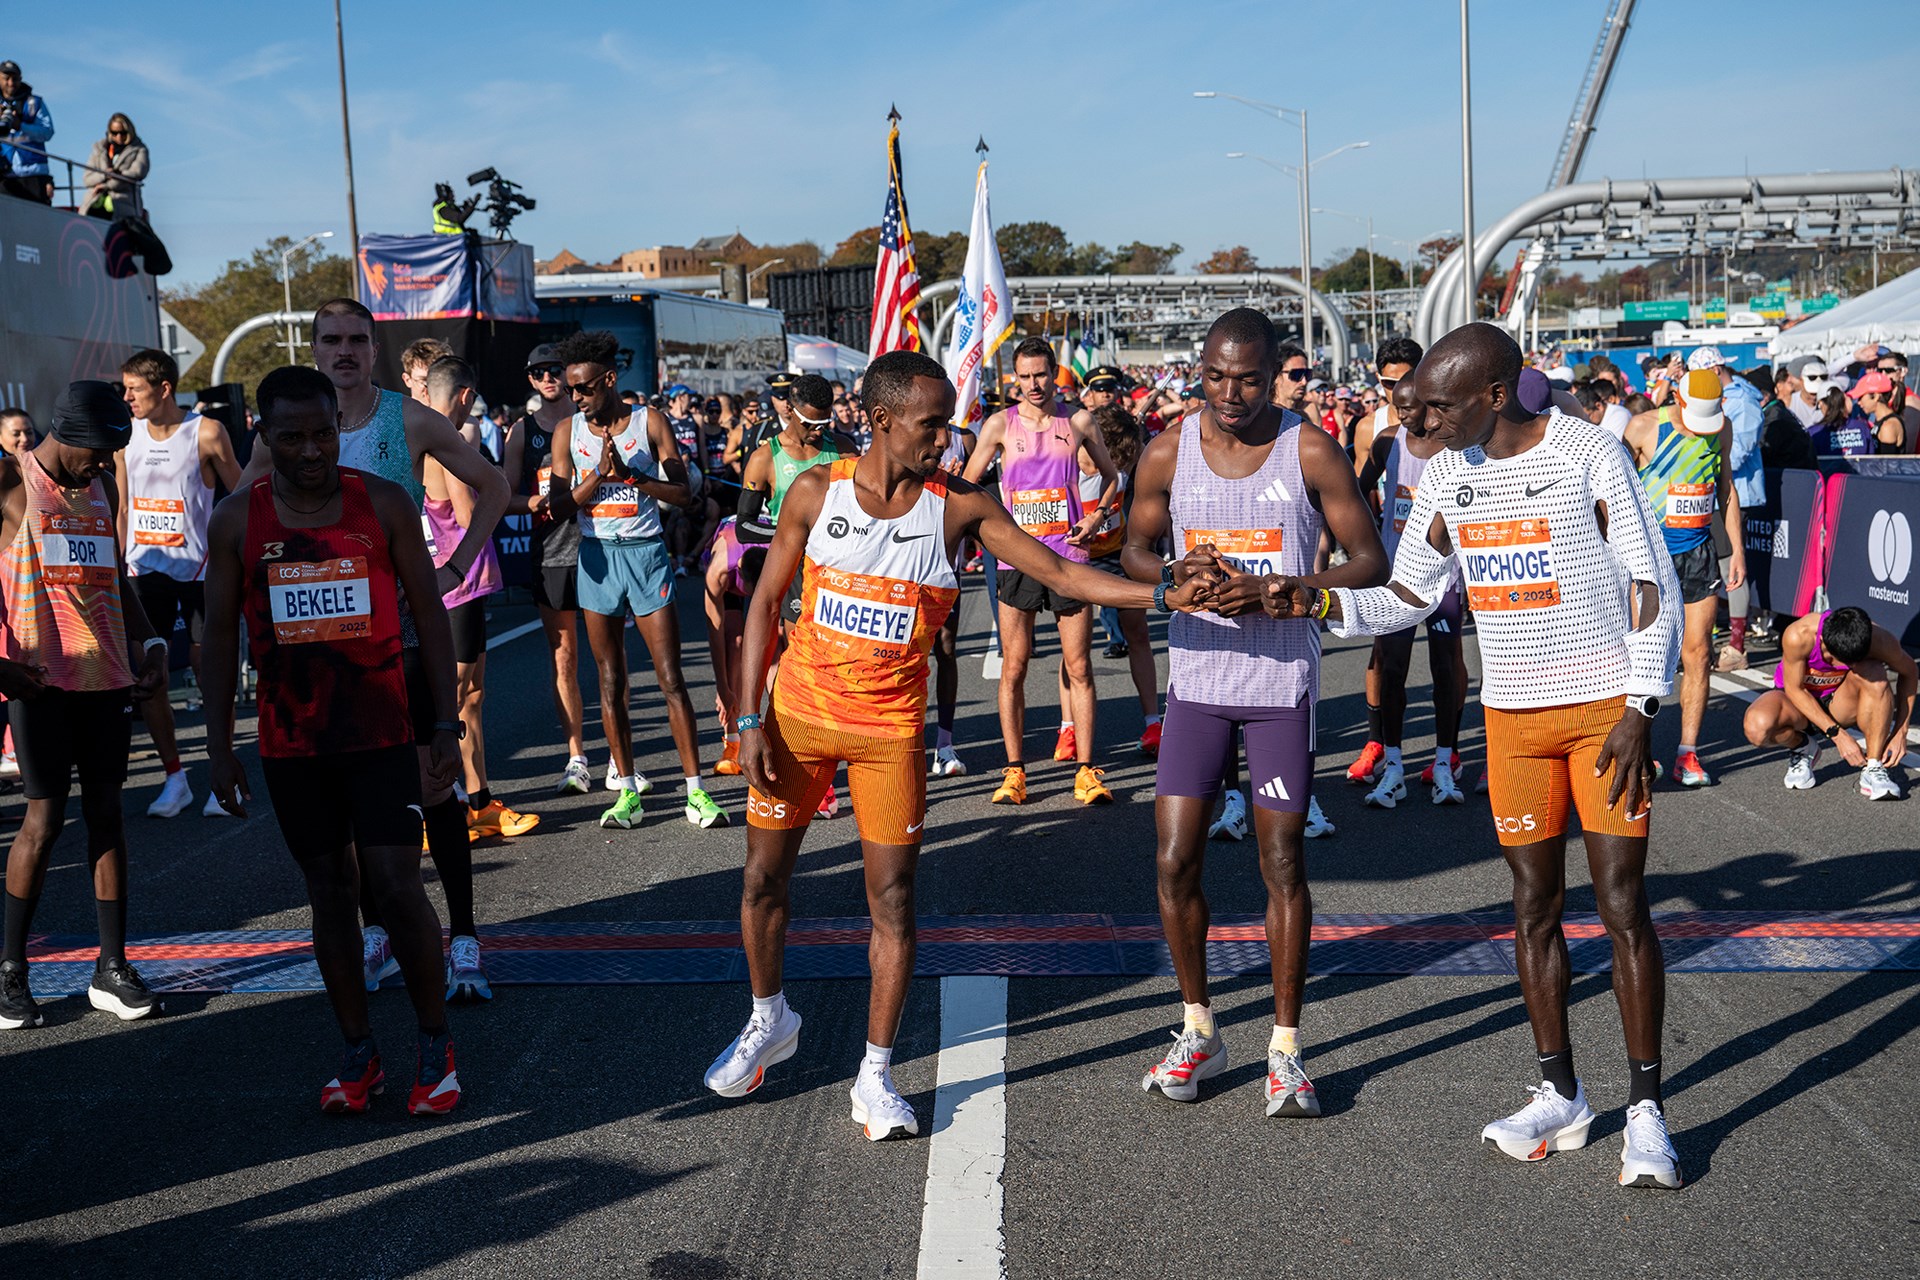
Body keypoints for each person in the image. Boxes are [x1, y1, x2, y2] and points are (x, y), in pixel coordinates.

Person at [703, 350, 1207, 1136]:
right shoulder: (815, 490)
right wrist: (745, 721)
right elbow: (765, 604)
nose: (947, 438)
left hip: (889, 735)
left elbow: (1061, 574)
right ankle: (769, 1019)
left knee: (893, 903)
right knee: (762, 881)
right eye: (931, 424)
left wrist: (1163, 594)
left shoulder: (959, 505)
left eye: (949, 423)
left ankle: (875, 1076)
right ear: (880, 420)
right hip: (797, 721)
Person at [1267, 322, 1685, 1190]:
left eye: (1438, 406)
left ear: (1495, 395)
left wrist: (1643, 704)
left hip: (1603, 712)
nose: (1420, 423)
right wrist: (1312, 602)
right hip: (1514, 721)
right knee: (1533, 908)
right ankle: (1561, 1094)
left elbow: (1652, 583)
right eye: (1415, 406)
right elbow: (1409, 594)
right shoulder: (1447, 474)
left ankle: (1647, 1110)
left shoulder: (1588, 452)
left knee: (1620, 905)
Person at [1125, 309, 1387, 1115]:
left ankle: (1285, 1049)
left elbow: (1370, 560)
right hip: (1197, 687)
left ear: (1274, 374)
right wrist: (1174, 573)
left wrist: (1291, 589)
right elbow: (1132, 551)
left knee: (1281, 864)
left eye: (1247, 378)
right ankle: (1198, 1028)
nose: (1230, 393)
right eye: (1215, 376)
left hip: (1279, 692)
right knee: (1175, 861)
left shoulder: (1309, 448)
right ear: (1198, 371)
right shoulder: (1167, 449)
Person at [202, 365, 462, 1113]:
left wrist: (445, 723)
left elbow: (429, 615)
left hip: (380, 732)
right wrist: (218, 748)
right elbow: (217, 639)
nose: (312, 450)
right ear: (264, 435)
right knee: (329, 894)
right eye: (293, 437)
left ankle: (435, 1046)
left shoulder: (382, 503)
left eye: (324, 433)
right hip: (293, 745)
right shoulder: (236, 520)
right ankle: (359, 1052)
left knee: (396, 887)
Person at [237, 297, 511, 999]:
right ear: (315, 348)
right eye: (331, 339)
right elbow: (238, 519)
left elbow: (493, 484)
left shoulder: (408, 418)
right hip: (322, 642)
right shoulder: (288, 427)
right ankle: (376, 933)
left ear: (372, 349)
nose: (345, 351)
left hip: (403, 632)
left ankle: (465, 937)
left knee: (433, 784)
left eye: (357, 339)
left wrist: (454, 569)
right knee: (349, 796)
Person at [0, 382, 169, 1031]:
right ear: (65, 435)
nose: (104, 464)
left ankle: (112, 968)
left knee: (108, 817)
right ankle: (11, 970)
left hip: (107, 680)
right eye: (97, 452)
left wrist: (151, 643)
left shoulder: (101, 487)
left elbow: (115, 577)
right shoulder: (12, 484)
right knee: (42, 822)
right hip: (39, 682)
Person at [546, 330, 727, 831]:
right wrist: (596, 478)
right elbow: (556, 508)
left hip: (646, 554)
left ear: (609, 380)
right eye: (570, 389)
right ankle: (626, 791)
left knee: (671, 679)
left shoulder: (650, 421)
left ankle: (696, 793)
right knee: (610, 681)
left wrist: (632, 477)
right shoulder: (567, 432)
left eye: (583, 388)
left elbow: (685, 495)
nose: (576, 397)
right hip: (597, 558)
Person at [961, 338, 1123, 806]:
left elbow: (1112, 476)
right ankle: (1015, 771)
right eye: (1025, 376)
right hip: (1017, 560)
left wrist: (1096, 517)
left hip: (1068, 557)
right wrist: (988, 533)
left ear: (1055, 374)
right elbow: (968, 486)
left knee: (1079, 666)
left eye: (1041, 374)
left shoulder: (1078, 421)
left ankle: (1086, 771)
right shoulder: (999, 425)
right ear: (1015, 378)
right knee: (1015, 666)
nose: (1033, 384)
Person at [116, 348, 243, 820]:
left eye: (135, 389)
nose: (127, 397)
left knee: (211, 674)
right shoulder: (126, 436)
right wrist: (117, 566)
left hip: (200, 571)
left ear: (164, 388)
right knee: (150, 677)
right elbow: (122, 507)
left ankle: (222, 775)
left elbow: (241, 494)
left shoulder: (206, 432)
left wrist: (239, 558)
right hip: (144, 570)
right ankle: (175, 779)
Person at [420, 357, 535, 844]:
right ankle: (433, 812)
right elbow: (471, 515)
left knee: (470, 697)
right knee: (447, 704)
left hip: (458, 584)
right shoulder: (445, 442)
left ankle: (479, 802)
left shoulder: (423, 436)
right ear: (466, 396)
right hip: (455, 586)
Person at [1349, 372, 1471, 806]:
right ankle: (1394, 765)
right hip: (1397, 581)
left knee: (1445, 668)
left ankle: (1444, 762)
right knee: (1393, 667)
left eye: (1408, 408)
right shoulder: (1388, 442)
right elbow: (1355, 492)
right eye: (1397, 408)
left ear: (1429, 406)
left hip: (1445, 579)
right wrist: (1371, 547)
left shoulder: (1455, 447)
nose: (1401, 415)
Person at [1620, 368, 1743, 787]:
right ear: (1678, 397)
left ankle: (1687, 754)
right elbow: (1612, 493)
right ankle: (1640, 749)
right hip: (1650, 557)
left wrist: (1736, 550)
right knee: (1643, 656)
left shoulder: (1721, 429)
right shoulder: (1642, 427)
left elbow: (1726, 489)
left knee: (1699, 653)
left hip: (1698, 554)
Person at [502, 344, 590, 794]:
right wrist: (536, 501)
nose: (549, 378)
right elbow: (503, 496)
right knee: (565, 657)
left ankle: (622, 761)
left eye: (555, 369)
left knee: (611, 658)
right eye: (539, 372)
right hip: (552, 552)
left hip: (599, 547)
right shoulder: (523, 431)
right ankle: (576, 757)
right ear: (531, 380)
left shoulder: (589, 419)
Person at [1065, 401, 1161, 755]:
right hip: (1075, 558)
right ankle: (1068, 728)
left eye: (1124, 463)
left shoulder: (1121, 462)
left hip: (1115, 555)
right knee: (1074, 648)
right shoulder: (1069, 466)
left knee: (1138, 633)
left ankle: (1153, 723)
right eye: (1117, 459)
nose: (1120, 469)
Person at [1741, 605, 1911, 799]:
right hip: (1798, 703)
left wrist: (1900, 732)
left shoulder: (1879, 640)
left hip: (1840, 702)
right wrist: (1838, 736)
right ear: (1822, 640)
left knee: (1875, 674)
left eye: (1851, 661)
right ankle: (1802, 747)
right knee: (1757, 728)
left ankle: (1873, 767)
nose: (1844, 665)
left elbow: (1910, 672)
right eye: (1837, 659)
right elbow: (1795, 689)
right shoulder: (1799, 635)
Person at [739, 374, 857, 527]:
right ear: (790, 409)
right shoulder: (763, 458)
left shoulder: (844, 449)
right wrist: (791, 536)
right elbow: (744, 525)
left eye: (824, 423)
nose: (818, 432)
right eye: (809, 424)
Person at [0, 61, 54, 204]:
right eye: (6, 78)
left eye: (15, 78)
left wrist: (21, 125)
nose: (11, 83)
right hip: (5, 176)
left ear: (20, 78)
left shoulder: (34, 103)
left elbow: (47, 132)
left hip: (34, 174)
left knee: (38, 217)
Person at [82, 113, 148, 219]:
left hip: (123, 208)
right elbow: (87, 179)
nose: (119, 136)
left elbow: (137, 173)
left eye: (123, 133)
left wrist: (107, 185)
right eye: (114, 133)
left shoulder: (139, 149)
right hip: (93, 205)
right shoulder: (99, 149)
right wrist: (105, 175)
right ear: (109, 132)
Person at [1848, 371, 1907, 454]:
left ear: (1875, 396)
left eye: (1861, 397)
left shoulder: (1888, 426)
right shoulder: (1880, 421)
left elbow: (1886, 461)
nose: (1859, 402)